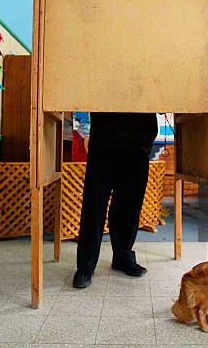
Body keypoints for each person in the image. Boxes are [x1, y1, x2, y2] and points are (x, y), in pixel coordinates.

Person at [73, 112, 158, 288]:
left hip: (138, 142)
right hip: (104, 140)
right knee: (94, 205)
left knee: (130, 206)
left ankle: (123, 257)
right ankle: (85, 266)